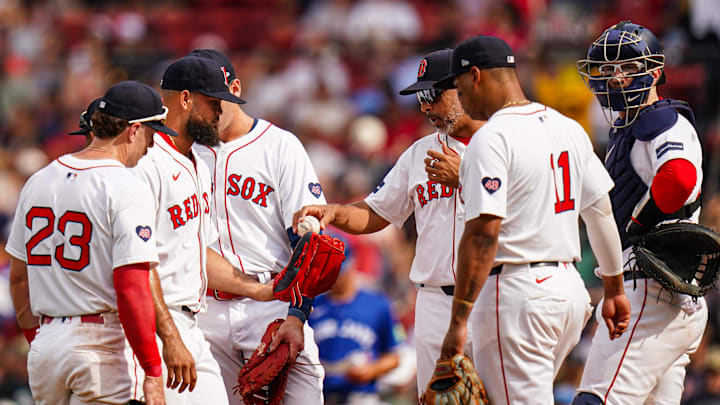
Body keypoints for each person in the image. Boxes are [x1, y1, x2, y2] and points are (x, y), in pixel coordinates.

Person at [431, 35, 630, 404]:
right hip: (569, 294)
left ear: (475, 76)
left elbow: (482, 236)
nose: (460, 98)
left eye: (458, 87)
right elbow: (600, 211)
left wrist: (458, 322)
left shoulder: (491, 138)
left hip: (517, 295)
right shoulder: (567, 127)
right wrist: (615, 288)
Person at [292, 48, 485, 396]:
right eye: (420, 99)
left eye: (432, 95)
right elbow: (377, 212)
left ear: (465, 87)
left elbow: (535, 214)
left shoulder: (505, 144)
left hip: (494, 296)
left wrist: (468, 178)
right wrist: (336, 211)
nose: (425, 107)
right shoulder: (419, 152)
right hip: (435, 301)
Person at [6, 80, 173, 404]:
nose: (152, 145)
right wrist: (152, 369)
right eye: (152, 134)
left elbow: (18, 277)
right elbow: (131, 286)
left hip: (46, 344)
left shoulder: (39, 179)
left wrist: (41, 339)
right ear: (134, 130)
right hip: (100, 344)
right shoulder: (125, 185)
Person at [573, 21, 708, 404]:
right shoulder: (627, 130)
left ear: (654, 72)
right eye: (608, 69)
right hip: (665, 291)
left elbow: (680, 178)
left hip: (649, 289)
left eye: (628, 68)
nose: (615, 78)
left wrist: (638, 222)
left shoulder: (661, 121)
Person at [132, 55, 275, 405]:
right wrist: (169, 337)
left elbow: (199, 255)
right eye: (212, 102)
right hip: (157, 324)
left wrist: (261, 290)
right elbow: (135, 261)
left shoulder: (197, 162)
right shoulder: (147, 161)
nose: (220, 112)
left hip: (190, 324)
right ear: (184, 99)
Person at [189, 49, 326, 405]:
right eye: (202, 103)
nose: (211, 112)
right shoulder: (184, 153)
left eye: (217, 100)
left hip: (272, 304)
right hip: (204, 312)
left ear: (235, 88)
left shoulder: (280, 147)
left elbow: (311, 239)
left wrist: (297, 316)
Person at [309, 233, 400, 405]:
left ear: (351, 264)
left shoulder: (378, 304)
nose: (333, 279)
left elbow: (394, 356)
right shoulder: (312, 306)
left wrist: (371, 370)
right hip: (320, 395)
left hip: (361, 395)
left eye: (337, 273)